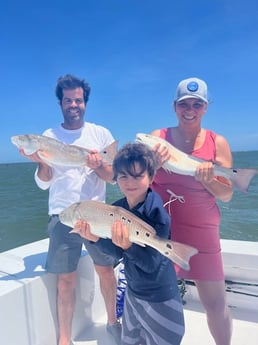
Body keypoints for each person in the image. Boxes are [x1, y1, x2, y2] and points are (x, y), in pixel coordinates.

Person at [19, 74, 121, 345]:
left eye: (78, 100)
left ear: (85, 102)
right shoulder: (48, 137)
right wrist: (40, 160)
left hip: (97, 215)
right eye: (68, 100)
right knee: (65, 280)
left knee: (106, 272)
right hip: (63, 216)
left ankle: (113, 322)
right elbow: (43, 183)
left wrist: (97, 164)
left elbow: (112, 177)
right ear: (60, 103)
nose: (73, 104)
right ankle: (65, 338)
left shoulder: (101, 135)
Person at [73, 142, 185, 345]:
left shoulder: (157, 213)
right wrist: (95, 238)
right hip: (133, 294)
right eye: (123, 176)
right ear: (115, 179)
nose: (130, 182)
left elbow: (151, 265)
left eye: (137, 175)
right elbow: (116, 254)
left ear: (151, 177)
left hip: (160, 296)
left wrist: (128, 246)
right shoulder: (116, 210)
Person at [150, 77, 233, 345]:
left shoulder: (216, 141)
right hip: (163, 230)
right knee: (160, 302)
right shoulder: (156, 139)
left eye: (197, 104)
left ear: (206, 108)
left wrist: (208, 179)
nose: (190, 109)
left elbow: (228, 194)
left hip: (203, 231)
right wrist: (152, 165)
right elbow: (138, 182)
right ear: (174, 106)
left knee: (216, 305)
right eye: (184, 103)